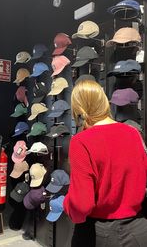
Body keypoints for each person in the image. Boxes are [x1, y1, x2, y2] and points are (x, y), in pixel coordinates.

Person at [63, 80, 147, 247]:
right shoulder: (133, 133)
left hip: (98, 233)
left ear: (79, 109)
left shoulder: (81, 141)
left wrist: (67, 204)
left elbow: (81, 205)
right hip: (139, 230)